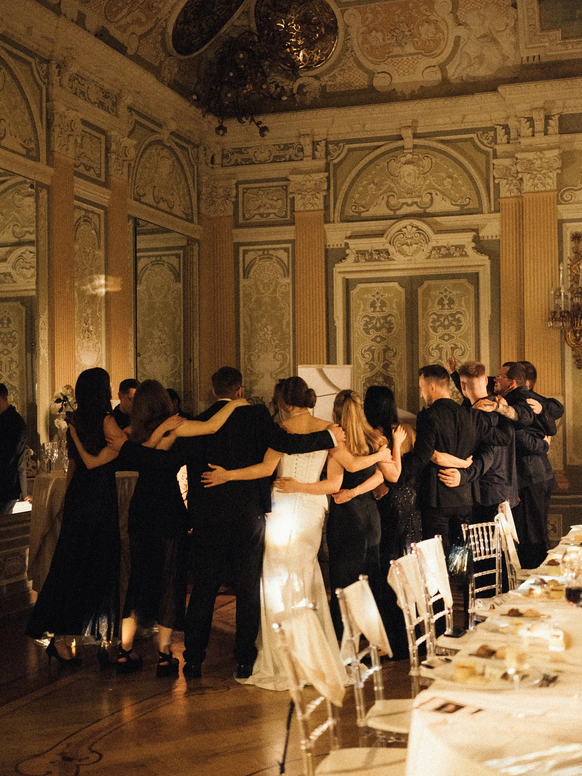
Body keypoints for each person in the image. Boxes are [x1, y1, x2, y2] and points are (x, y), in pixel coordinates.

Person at [201, 376, 393, 690]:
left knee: (276, 576)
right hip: (312, 509)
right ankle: (310, 651)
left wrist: (227, 476)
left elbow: (265, 470)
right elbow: (338, 480)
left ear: (283, 402)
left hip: (282, 504)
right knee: (305, 574)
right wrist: (380, 456)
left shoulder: (281, 430)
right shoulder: (330, 430)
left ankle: (283, 652)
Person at [178, 366, 345, 680]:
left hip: (208, 519)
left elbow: (179, 467)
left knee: (203, 589)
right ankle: (244, 659)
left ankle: (193, 660)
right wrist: (329, 437)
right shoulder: (256, 416)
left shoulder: (197, 422)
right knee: (247, 589)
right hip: (248, 515)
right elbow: (289, 444)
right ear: (239, 390)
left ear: (213, 391)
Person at [74, 379, 247, 676]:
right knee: (170, 581)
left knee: (136, 580)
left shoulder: (132, 432)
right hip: (169, 510)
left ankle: (125, 651)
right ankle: (165, 654)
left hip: (141, 510)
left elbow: (136, 454)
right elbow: (209, 429)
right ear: (165, 403)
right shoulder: (177, 427)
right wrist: (235, 404)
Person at [25, 368, 123, 665]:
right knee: (100, 565)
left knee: (70, 566)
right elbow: (114, 451)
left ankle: (60, 639)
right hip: (99, 498)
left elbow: (73, 467)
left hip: (80, 497)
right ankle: (103, 638)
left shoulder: (76, 421)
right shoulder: (106, 420)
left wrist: (69, 501)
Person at [400, 365, 515, 556]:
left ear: (432, 387)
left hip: (436, 498)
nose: (421, 394)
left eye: (422, 388)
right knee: (462, 557)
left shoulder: (428, 416)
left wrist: (398, 476)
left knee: (437, 558)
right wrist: (501, 410)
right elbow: (505, 437)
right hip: (466, 498)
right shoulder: (472, 415)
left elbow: (422, 456)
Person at [326, 389, 402, 640]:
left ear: (336, 412)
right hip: (369, 515)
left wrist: (351, 492)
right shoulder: (375, 439)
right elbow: (390, 476)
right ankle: (376, 638)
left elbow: (352, 466)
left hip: (345, 517)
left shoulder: (337, 440)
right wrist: (380, 455)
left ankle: (344, 641)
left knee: (343, 582)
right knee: (370, 577)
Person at [436, 361, 520, 523]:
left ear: (462, 385)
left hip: (487, 495)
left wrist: (463, 476)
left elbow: (488, 454)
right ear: (486, 381)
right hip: (508, 492)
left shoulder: (477, 416)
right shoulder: (502, 409)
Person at [364, 385, 421, 566]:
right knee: (410, 548)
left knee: (389, 550)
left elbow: (390, 475)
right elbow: (419, 461)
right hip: (411, 496)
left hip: (389, 497)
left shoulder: (375, 436)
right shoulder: (407, 430)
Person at [0, 383, 29, 516]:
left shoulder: (14, 423)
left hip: (5, 486)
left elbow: (12, 458)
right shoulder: (12, 420)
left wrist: (25, 492)